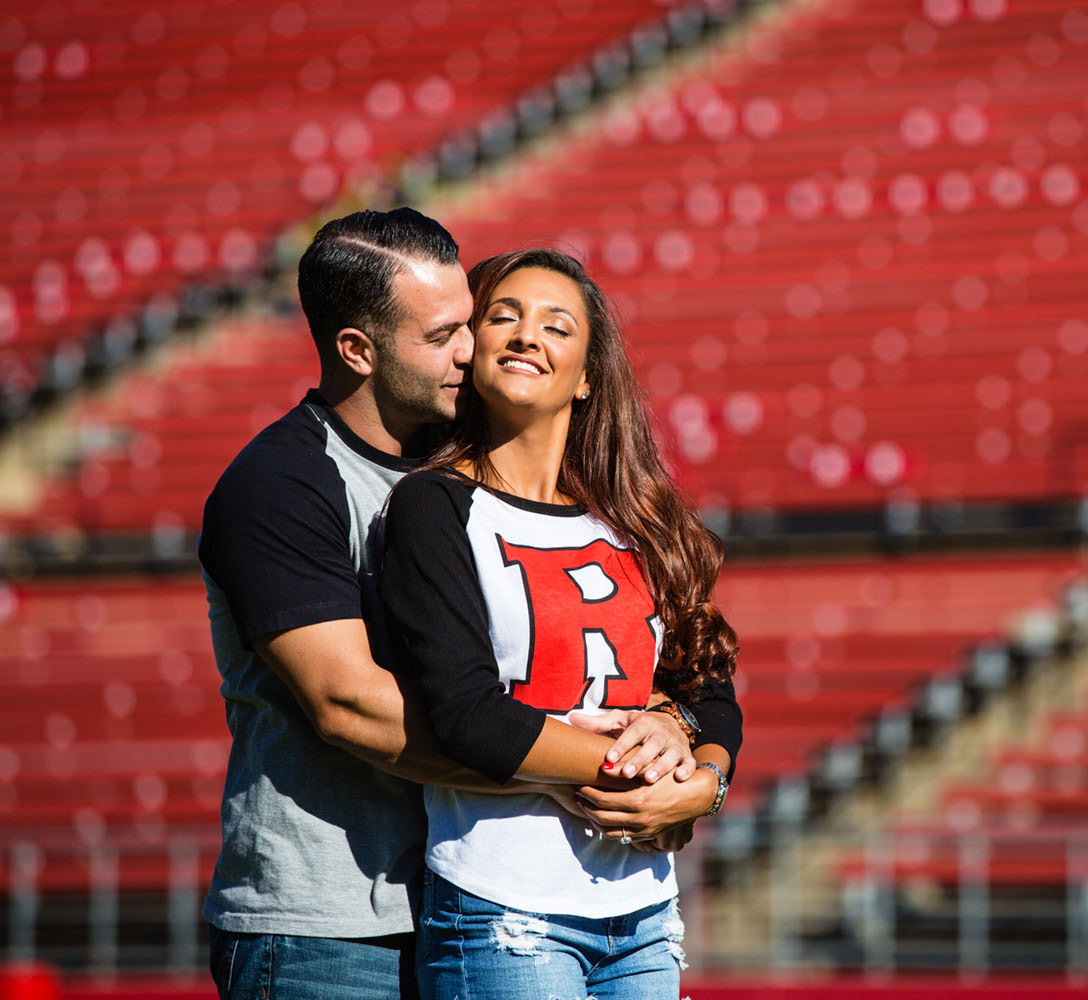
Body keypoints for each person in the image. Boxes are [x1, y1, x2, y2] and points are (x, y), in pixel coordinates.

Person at [198, 209, 741, 1000]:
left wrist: (694, 764)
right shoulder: (282, 483)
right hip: (332, 924)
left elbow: (649, 676)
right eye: (445, 334)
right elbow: (353, 705)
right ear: (358, 349)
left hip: (468, 890)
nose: (474, 349)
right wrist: (614, 774)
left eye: (469, 324)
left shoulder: (496, 476)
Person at [378, 247, 739, 1000]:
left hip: (643, 911)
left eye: (556, 325)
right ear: (472, 351)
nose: (525, 335)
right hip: (505, 910)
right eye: (503, 317)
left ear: (585, 380)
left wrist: (701, 777)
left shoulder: (638, 521)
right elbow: (469, 716)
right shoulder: (433, 507)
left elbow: (708, 691)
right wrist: (646, 782)